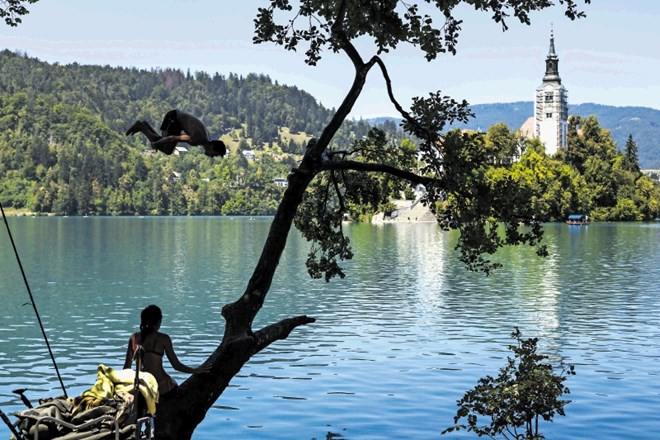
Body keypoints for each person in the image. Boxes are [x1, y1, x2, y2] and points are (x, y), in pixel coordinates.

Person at [123, 305, 209, 396]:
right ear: (158, 321)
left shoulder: (133, 338)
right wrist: (195, 370)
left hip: (142, 387)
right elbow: (176, 365)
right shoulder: (163, 338)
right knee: (173, 384)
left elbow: (126, 369)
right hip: (160, 387)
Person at [125, 109, 226, 157]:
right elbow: (173, 138)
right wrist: (156, 144)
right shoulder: (198, 139)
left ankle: (144, 126)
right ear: (212, 147)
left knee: (164, 146)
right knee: (166, 148)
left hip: (176, 120)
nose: (213, 156)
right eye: (215, 154)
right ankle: (141, 126)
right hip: (173, 118)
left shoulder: (205, 138)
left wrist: (158, 143)